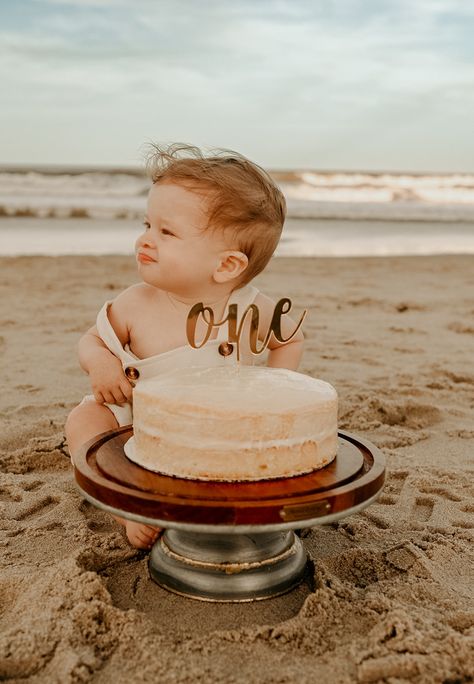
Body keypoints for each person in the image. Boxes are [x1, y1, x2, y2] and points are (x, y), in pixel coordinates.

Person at [65, 143, 304, 549]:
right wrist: (101, 365)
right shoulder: (135, 303)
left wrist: (275, 386)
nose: (145, 240)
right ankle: (124, 508)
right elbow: (91, 340)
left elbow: (290, 337)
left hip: (213, 427)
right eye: (146, 224)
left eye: (166, 232)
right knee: (84, 422)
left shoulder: (250, 310)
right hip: (135, 419)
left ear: (226, 265)